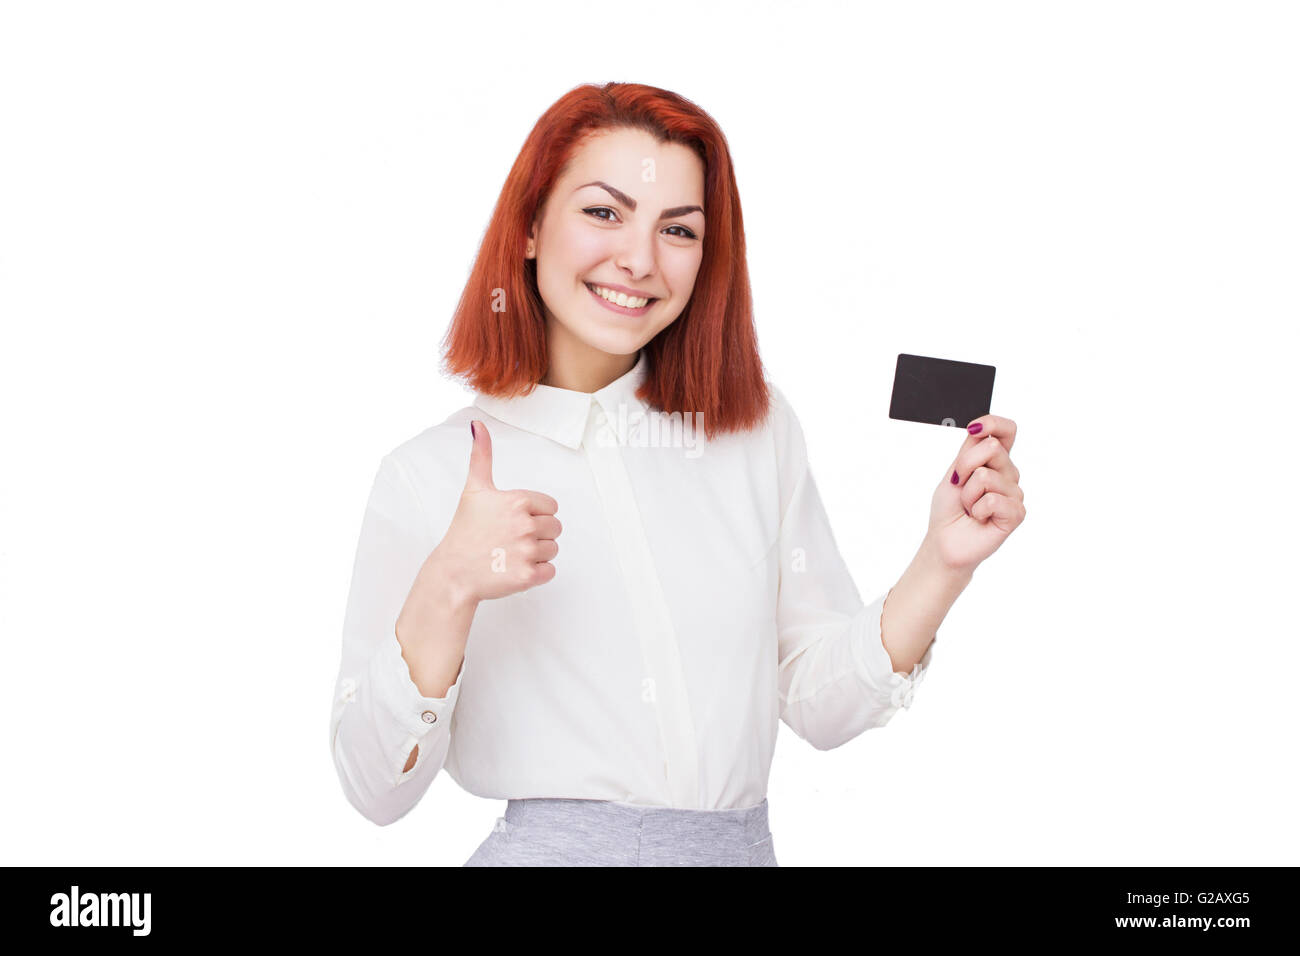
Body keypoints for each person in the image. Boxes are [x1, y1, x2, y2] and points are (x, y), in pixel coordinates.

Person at [328, 82, 1026, 866]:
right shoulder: (427, 477)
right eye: (603, 212)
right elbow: (374, 789)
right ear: (528, 226)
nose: (639, 259)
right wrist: (448, 584)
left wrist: (944, 561)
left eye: (679, 229)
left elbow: (821, 706)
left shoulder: (753, 431)